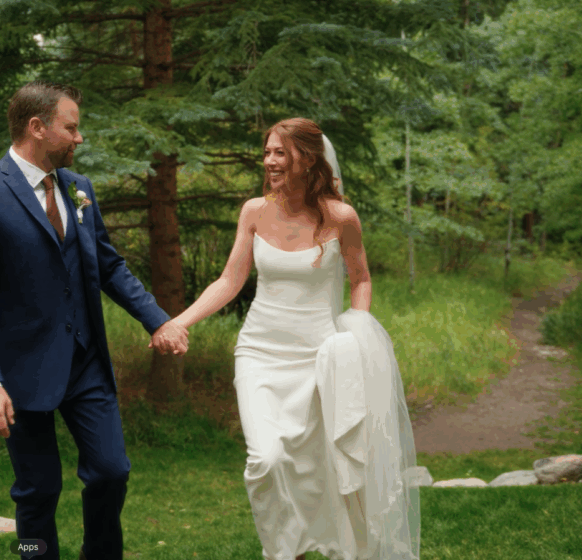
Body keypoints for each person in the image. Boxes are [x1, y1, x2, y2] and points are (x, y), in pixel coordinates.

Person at [0, 80, 189, 560]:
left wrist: (157, 321)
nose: (79, 138)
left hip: (85, 362)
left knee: (111, 471)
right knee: (37, 491)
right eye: (71, 127)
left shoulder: (78, 189)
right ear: (37, 128)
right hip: (18, 372)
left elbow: (109, 265)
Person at [160, 118, 420, 560]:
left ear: (308, 158)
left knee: (319, 469)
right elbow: (229, 280)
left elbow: (361, 279)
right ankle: (284, 552)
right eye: (267, 152)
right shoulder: (254, 211)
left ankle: (331, 548)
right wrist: (178, 322)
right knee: (268, 459)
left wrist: (356, 331)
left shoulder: (340, 217)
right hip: (259, 353)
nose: (270, 161)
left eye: (280, 152)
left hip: (319, 357)